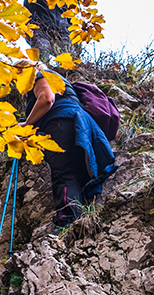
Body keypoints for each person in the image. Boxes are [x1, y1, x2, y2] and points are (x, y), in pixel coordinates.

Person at [24, 66, 116, 227]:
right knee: (76, 173)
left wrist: (26, 124)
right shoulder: (60, 83)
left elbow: (46, 99)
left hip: (61, 123)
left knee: (64, 173)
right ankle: (80, 217)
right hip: (79, 124)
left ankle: (68, 221)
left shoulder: (38, 75)